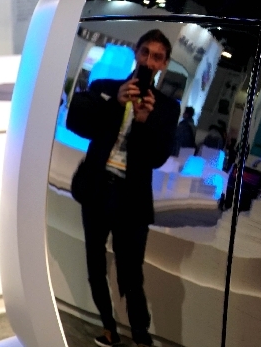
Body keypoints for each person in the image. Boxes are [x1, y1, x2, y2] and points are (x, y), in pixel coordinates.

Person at [65, 29, 180, 347]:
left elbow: (157, 158)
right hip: (97, 189)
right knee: (94, 263)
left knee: (131, 274)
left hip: (132, 199)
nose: (149, 61)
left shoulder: (167, 109)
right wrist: (116, 104)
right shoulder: (104, 88)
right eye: (145, 53)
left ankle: (141, 338)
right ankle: (108, 328)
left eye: (157, 57)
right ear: (136, 53)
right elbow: (79, 125)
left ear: (164, 64)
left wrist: (144, 121)